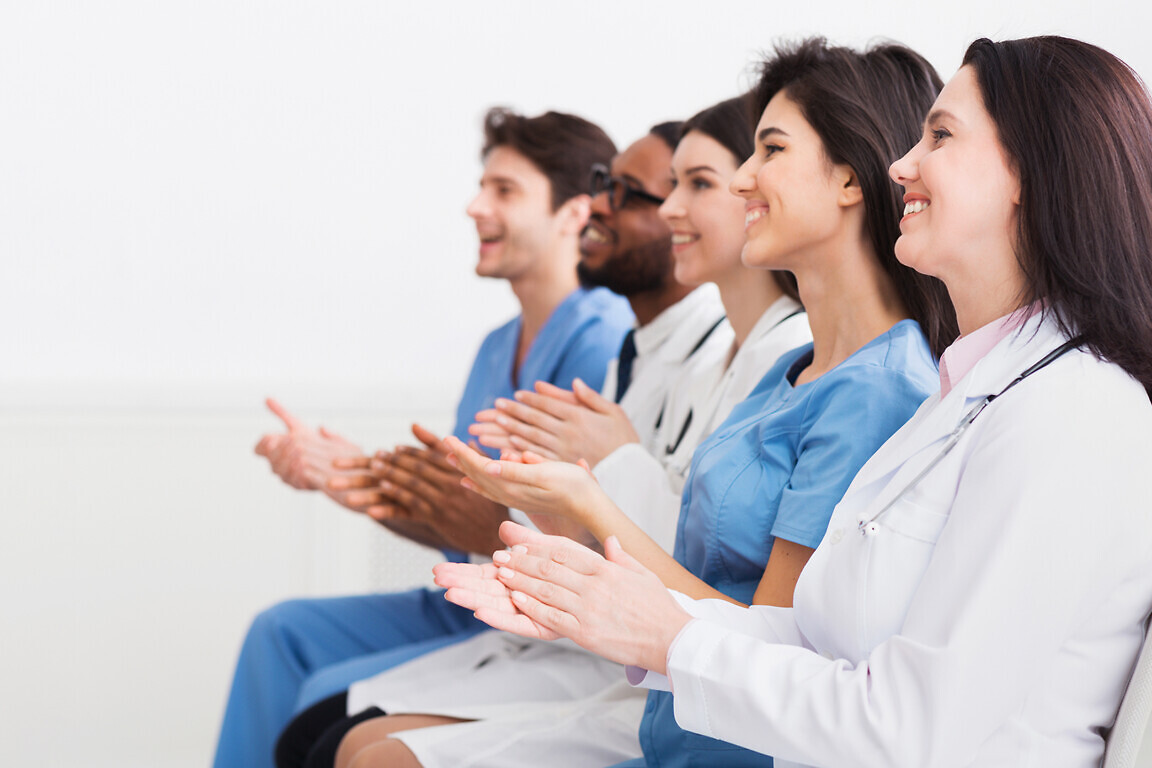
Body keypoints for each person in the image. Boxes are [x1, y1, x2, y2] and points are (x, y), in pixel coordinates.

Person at [439, 36, 1152, 768]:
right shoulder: (967, 393)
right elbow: (810, 642)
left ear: (1032, 171)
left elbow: (911, 727)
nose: (901, 165)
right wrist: (607, 605)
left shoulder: (1075, 416)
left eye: (940, 136)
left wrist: (660, 628)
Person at [286, 97, 812, 768]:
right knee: (326, 727)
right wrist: (420, 487)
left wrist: (573, 488)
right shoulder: (685, 355)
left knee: (348, 744)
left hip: (652, 666)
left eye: (696, 184)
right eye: (667, 188)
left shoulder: (784, 364)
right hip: (603, 646)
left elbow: (719, 576)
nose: (604, 210)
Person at [212, 107, 635, 768]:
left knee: (324, 696)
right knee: (280, 633)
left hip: (531, 625)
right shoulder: (498, 346)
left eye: (504, 191)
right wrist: (351, 476)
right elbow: (456, 516)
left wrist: (449, 509)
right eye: (482, 186)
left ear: (573, 214)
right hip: (461, 598)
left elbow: (565, 531)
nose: (475, 207)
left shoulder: (605, 340)